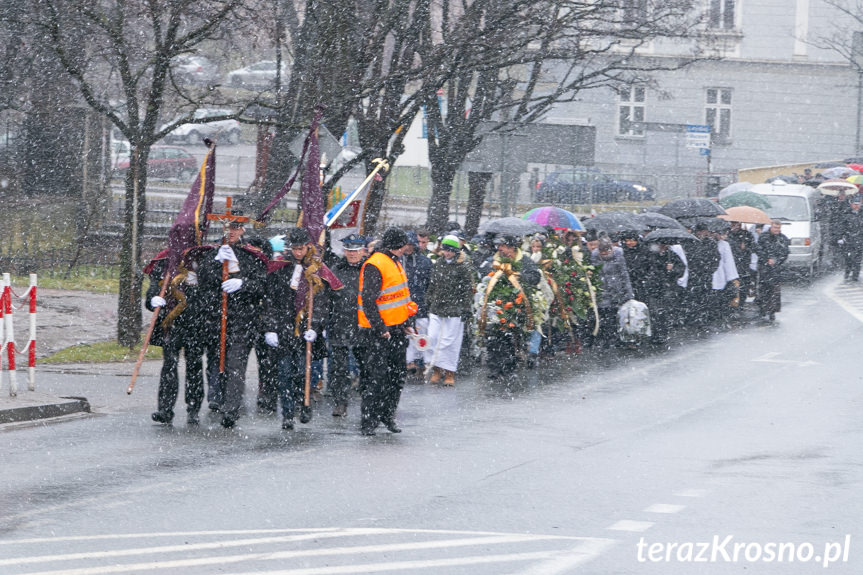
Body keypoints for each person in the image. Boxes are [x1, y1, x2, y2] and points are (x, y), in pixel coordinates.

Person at [263, 228, 341, 430]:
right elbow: (271, 300)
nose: (298, 253)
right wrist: (270, 328)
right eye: (295, 248)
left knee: (302, 372)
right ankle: (287, 413)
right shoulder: (281, 267)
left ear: (308, 246)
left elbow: (323, 302)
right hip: (284, 327)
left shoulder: (316, 268)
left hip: (305, 330)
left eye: (301, 248)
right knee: (284, 372)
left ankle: (303, 403)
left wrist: (316, 326)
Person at [197, 216, 268, 428]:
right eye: (228, 228)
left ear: (243, 229)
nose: (232, 232)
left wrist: (242, 282)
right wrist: (215, 263)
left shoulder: (252, 255)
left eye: (236, 228)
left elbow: (261, 285)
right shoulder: (212, 253)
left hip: (242, 319)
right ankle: (217, 399)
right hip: (216, 318)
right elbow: (203, 281)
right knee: (216, 363)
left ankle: (231, 409)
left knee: (236, 365)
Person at [357, 227, 418, 435]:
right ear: (397, 246)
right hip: (379, 331)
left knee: (396, 376)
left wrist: (407, 321)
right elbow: (368, 299)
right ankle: (369, 420)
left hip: (397, 329)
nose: (405, 249)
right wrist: (379, 327)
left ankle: (387, 414)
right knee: (376, 377)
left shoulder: (394, 261)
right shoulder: (375, 264)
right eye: (404, 245)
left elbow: (400, 296)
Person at [145, 249, 209, 426]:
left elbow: (211, 288)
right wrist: (153, 299)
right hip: (171, 322)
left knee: (194, 365)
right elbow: (153, 288)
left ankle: (194, 408)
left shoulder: (203, 258)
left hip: (197, 321)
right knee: (169, 364)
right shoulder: (166, 261)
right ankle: (165, 409)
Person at [423, 235, 475, 385]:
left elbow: (466, 290)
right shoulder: (438, 263)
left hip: (455, 309)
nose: (447, 253)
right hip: (436, 307)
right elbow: (432, 284)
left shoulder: (463, 267)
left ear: (456, 251)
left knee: (450, 342)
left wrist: (465, 308)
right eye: (445, 250)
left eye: (450, 251)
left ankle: (449, 373)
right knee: (432, 338)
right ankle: (437, 370)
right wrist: (429, 299)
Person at [327, 233, 367, 417]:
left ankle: (368, 400)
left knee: (366, 366)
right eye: (349, 250)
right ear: (344, 251)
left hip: (363, 325)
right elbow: (327, 296)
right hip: (339, 323)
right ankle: (340, 402)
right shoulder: (336, 269)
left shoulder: (369, 270)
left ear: (363, 251)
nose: (352, 254)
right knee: (339, 369)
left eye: (356, 250)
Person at [590, 236, 634, 347]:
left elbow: (624, 274)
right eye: (602, 251)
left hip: (616, 290)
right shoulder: (595, 257)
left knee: (616, 316)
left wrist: (628, 292)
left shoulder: (618, 256)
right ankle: (606, 339)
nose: (604, 253)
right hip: (602, 290)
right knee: (604, 316)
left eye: (606, 250)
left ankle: (617, 338)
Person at [403, 230, 432, 374]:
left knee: (421, 331)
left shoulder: (425, 262)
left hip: (420, 302)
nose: (408, 248)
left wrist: (426, 300)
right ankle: (409, 361)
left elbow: (429, 284)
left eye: (410, 244)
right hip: (403, 302)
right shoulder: (398, 260)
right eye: (406, 244)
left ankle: (423, 360)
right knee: (408, 332)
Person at [755, 219, 790, 322]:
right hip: (764, 268)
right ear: (771, 226)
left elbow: (785, 253)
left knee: (774, 291)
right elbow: (759, 250)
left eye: (778, 228)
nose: (777, 230)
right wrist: (766, 259)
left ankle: (772, 311)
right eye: (775, 227)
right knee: (763, 288)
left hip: (776, 269)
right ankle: (762, 308)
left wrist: (777, 261)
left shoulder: (782, 239)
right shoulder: (764, 237)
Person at [839, 196, 863, 281]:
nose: (856, 206)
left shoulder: (861, 214)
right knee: (848, 259)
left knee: (857, 260)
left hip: (859, 241)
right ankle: (847, 272)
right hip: (848, 241)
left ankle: (855, 275)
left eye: (858, 204)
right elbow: (841, 227)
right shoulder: (846, 214)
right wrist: (841, 237)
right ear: (851, 205)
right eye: (854, 204)